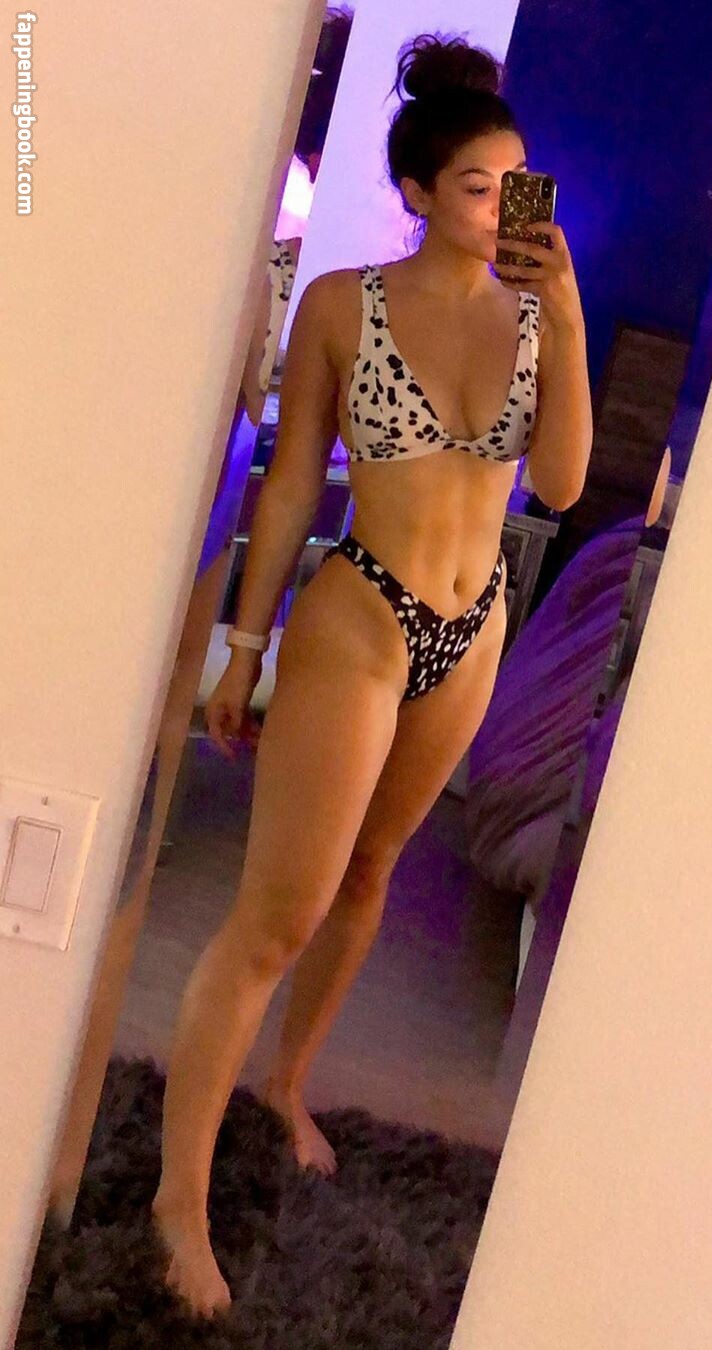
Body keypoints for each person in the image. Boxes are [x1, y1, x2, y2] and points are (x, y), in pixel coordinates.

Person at [151, 32, 593, 1317]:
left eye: (519, 184)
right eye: (477, 186)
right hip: (362, 615)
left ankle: (286, 1082)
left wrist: (567, 317)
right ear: (416, 191)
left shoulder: (536, 316)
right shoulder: (344, 304)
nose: (504, 208)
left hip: (474, 626)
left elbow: (563, 486)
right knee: (275, 915)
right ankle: (176, 1201)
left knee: (372, 873)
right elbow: (294, 480)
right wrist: (244, 647)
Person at [45, 8, 352, 1230]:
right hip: (157, 474)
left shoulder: (279, 236)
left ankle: (231, 1090)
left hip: (214, 478)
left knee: (147, 796)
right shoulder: (256, 236)